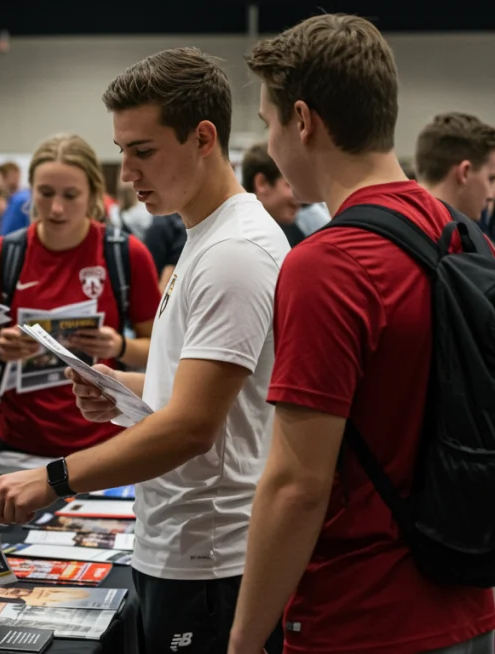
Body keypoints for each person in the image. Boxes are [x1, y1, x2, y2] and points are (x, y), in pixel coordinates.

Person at [0, 48, 289, 654]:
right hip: (181, 541)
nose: (128, 172)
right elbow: (208, 392)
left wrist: (55, 478)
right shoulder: (207, 236)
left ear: (203, 138)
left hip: (210, 554)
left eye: (143, 151)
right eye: (122, 152)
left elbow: (192, 426)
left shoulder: (233, 252)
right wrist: (124, 388)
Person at [231, 14, 495, 654]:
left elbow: (298, 485)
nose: (271, 140)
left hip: (361, 616)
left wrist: (241, 642)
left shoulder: (328, 265)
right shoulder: (461, 234)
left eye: (268, 122)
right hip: (467, 593)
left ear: (303, 120)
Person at [0, 133, 160, 458]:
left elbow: (161, 355)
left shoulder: (126, 255)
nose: (56, 208)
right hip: (18, 449)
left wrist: (119, 346)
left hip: (105, 449)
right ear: (30, 191)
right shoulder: (1, 257)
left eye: (71, 195)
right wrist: (0, 349)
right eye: (45, 193)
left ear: (93, 195)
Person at [415, 112, 495, 223]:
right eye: (490, 179)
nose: (491, 195)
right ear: (465, 172)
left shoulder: (397, 221)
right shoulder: (446, 236)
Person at [241, 143, 305, 247]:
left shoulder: (293, 232)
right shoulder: (243, 239)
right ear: (262, 183)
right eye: (290, 185)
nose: (301, 197)